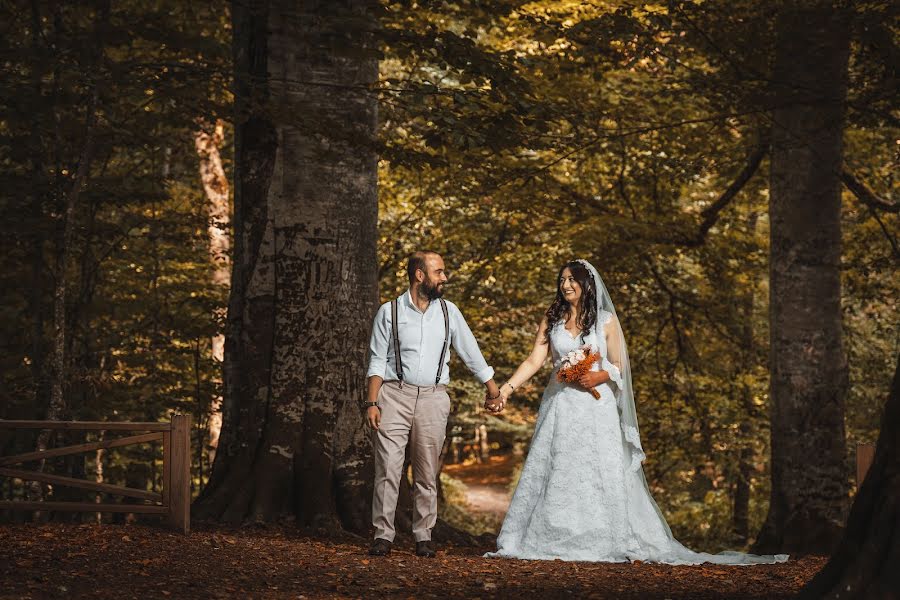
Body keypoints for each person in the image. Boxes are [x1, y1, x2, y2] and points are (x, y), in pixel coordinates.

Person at [483, 259, 788, 565]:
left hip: (595, 408)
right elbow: (534, 361)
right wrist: (506, 391)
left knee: (596, 468)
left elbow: (619, 365)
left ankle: (602, 535)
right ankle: (550, 534)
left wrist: (598, 376)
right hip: (560, 405)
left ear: (587, 284)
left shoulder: (605, 321)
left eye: (572, 279)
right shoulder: (552, 319)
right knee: (558, 465)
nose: (566, 285)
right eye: (562, 280)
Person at [365, 251, 501, 558]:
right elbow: (376, 359)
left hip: (433, 397)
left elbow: (471, 352)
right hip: (393, 395)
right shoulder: (390, 312)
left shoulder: (449, 312)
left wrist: (493, 390)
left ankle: (423, 535)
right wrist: (372, 401)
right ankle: (383, 535)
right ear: (419, 275)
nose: (444, 277)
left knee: (427, 471)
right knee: (388, 468)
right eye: (439, 272)